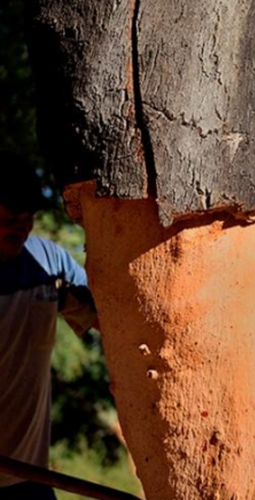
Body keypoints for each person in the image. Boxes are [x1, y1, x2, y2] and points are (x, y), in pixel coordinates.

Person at [0, 160, 98, 499]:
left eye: (28, 220)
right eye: (9, 220)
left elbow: (106, 316)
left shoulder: (48, 262)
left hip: (30, 474)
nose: (21, 229)